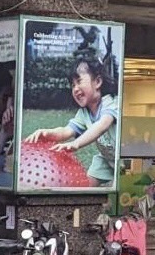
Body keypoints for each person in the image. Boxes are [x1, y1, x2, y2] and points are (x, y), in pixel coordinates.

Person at [25, 57, 119, 186]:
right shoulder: (84, 113)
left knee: (119, 193)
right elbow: (65, 131)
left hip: (125, 159)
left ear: (97, 82)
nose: (75, 89)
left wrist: (76, 144)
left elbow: (102, 125)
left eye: (79, 81)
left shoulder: (111, 103)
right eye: (73, 85)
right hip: (106, 159)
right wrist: (46, 133)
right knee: (85, 185)